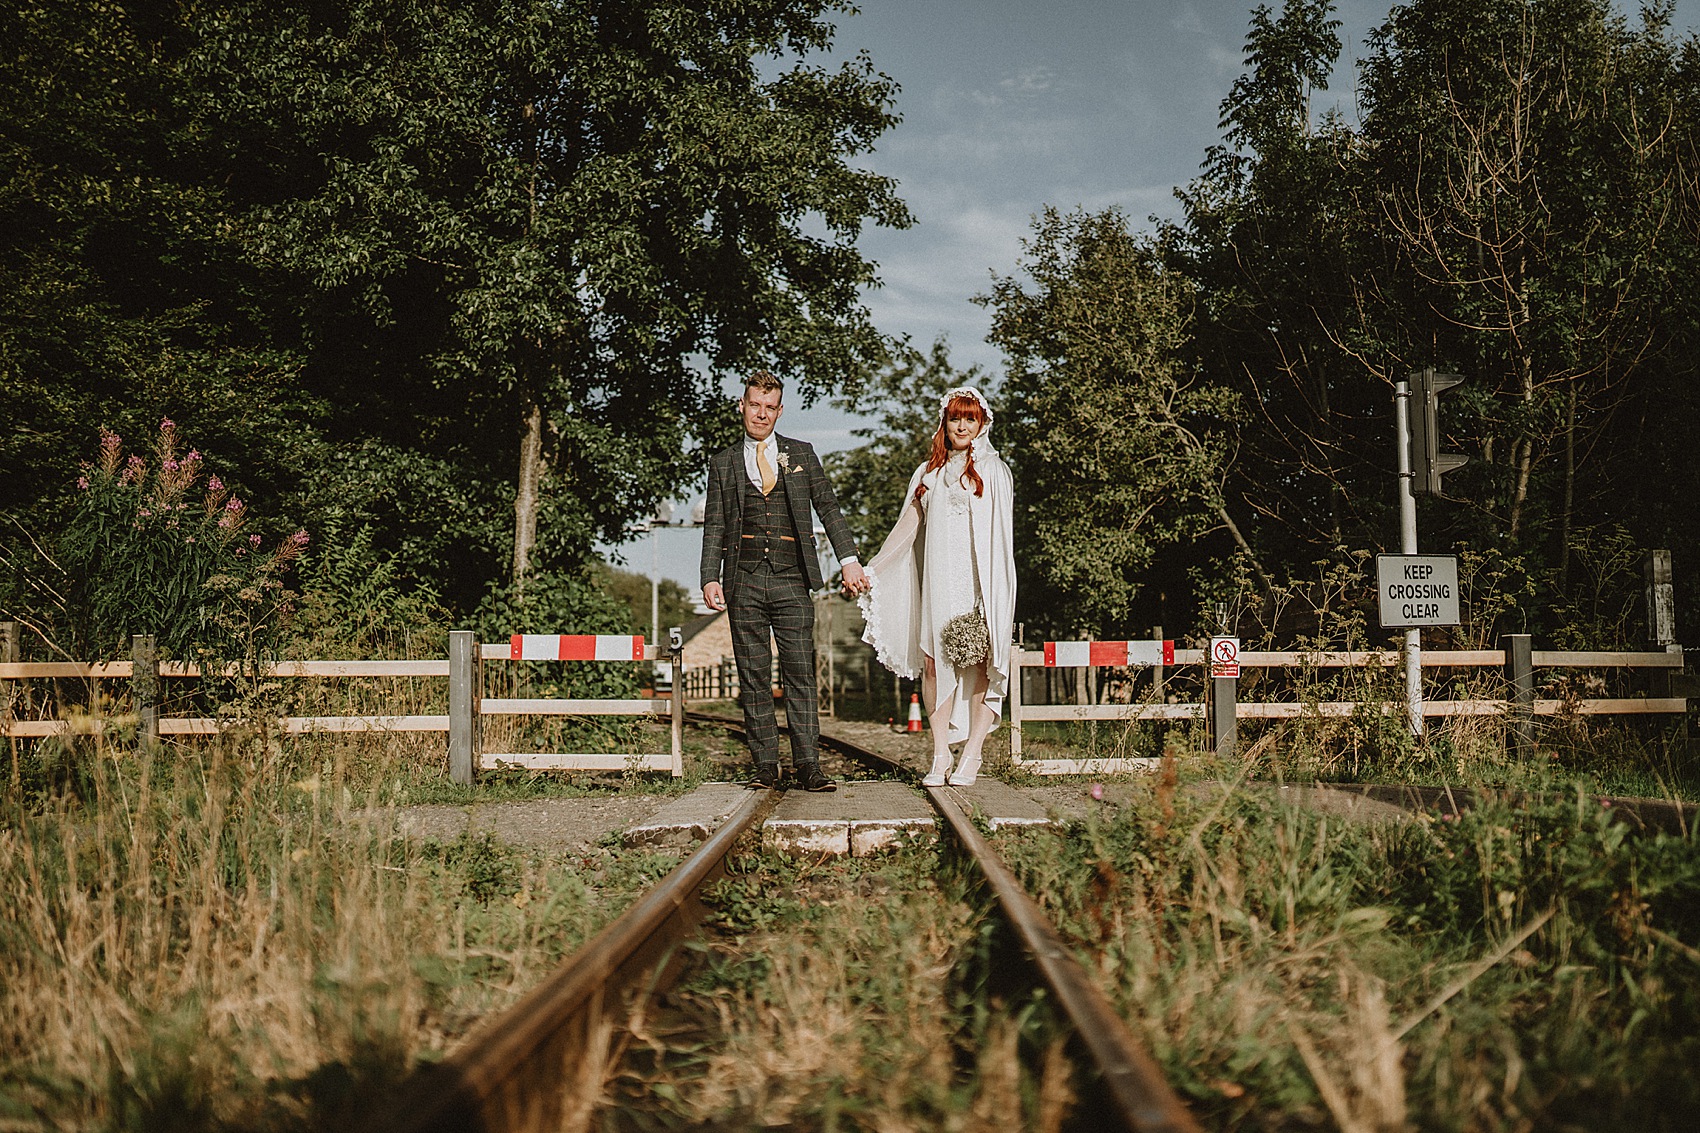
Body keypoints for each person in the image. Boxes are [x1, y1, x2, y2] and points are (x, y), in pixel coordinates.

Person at [700, 370, 869, 791]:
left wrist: (849, 560)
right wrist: (709, 576)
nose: (761, 414)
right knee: (753, 673)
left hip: (792, 578)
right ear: (742, 405)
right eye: (754, 405)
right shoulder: (722, 463)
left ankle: (808, 764)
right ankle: (764, 766)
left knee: (799, 670)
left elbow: (828, 507)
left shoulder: (802, 454)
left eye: (769, 407)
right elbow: (715, 525)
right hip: (743, 580)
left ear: (780, 410)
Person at [859, 387, 1015, 786]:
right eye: (955, 418)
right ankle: (941, 751)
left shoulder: (995, 472)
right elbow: (905, 530)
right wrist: (871, 569)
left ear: (981, 424)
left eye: (970, 419)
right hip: (940, 582)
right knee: (932, 665)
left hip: (979, 583)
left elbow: (1000, 538)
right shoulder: (927, 473)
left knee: (980, 663)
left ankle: (974, 754)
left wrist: (992, 595)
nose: (962, 426)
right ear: (944, 423)